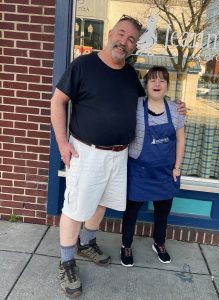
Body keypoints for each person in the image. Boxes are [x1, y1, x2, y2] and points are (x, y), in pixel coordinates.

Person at [51, 15, 186, 298]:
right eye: (121, 34)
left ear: (134, 46)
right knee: (75, 207)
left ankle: (86, 243)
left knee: (101, 203)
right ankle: (66, 261)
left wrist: (175, 108)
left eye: (131, 39)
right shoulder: (83, 65)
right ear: (110, 32)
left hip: (119, 155)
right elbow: (58, 101)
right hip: (87, 153)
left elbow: (149, 101)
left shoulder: (129, 74)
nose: (124, 42)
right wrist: (63, 143)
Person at [120, 66, 185, 267]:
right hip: (138, 169)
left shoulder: (176, 109)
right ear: (146, 85)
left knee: (162, 212)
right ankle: (126, 245)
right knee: (131, 211)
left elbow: (181, 140)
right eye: (153, 80)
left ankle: (159, 242)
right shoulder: (134, 105)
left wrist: (177, 167)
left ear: (167, 85)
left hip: (165, 171)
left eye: (162, 80)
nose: (157, 84)